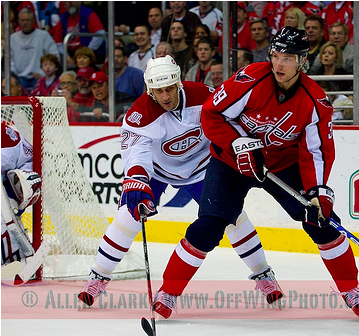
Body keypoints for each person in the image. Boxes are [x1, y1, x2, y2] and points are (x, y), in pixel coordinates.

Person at [152, 26, 359, 321]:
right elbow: (211, 114)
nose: (279, 64)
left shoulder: (314, 101)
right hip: (231, 162)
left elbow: (316, 152)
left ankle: (350, 289)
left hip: (281, 166)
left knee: (322, 222)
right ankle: (168, 291)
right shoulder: (251, 79)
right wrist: (237, 143)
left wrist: (318, 191)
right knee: (208, 228)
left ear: (303, 60)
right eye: (276, 55)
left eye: (289, 58)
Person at [77, 56, 283, 307]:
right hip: (158, 171)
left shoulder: (205, 95)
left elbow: (230, 120)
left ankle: (263, 274)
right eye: (158, 91)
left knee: (233, 216)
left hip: (204, 167)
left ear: (178, 84)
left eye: (169, 89)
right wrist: (138, 180)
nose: (165, 96)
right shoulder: (139, 115)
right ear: (149, 90)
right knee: (128, 215)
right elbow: (137, 154)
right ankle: (98, 276)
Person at [1, 122, 41, 266]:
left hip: (9, 190)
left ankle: (16, 258)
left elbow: (30, 161)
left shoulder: (6, 136)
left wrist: (22, 185)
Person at [9, 8, 59, 93]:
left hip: (41, 77)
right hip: (19, 78)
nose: (25, 22)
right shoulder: (12, 38)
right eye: (22, 20)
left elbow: (55, 57)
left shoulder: (43, 36)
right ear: (18, 21)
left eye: (28, 20)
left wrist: (43, 73)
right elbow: (9, 61)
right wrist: (15, 76)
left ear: (33, 21)